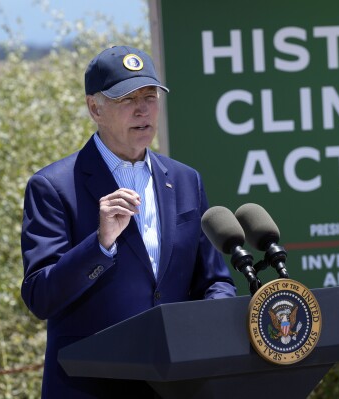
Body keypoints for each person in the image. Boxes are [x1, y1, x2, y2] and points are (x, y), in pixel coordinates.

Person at [20, 45, 237, 398]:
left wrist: (208, 328)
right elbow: (40, 297)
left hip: (179, 385)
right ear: (95, 108)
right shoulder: (53, 186)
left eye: (149, 96)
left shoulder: (185, 180)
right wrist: (100, 245)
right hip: (91, 386)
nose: (142, 109)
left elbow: (214, 281)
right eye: (126, 99)